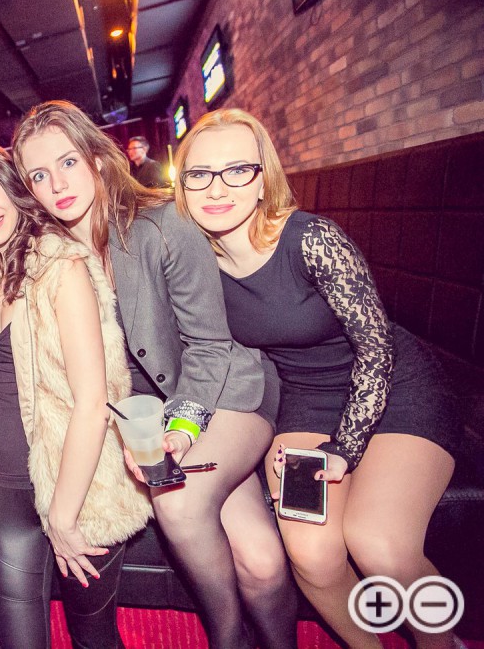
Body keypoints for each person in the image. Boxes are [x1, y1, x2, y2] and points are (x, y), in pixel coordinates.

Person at [174, 108, 461, 649]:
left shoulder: (312, 239)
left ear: (263, 179)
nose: (217, 187)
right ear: (182, 185)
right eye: (200, 173)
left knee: (379, 542)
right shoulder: (192, 263)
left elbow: (375, 346)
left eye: (237, 170)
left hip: (395, 388)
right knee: (311, 552)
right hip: (306, 402)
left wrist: (345, 449)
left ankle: (441, 644)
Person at [13, 101, 297, 649]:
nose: (58, 185)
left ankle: (227, 641)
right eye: (39, 175)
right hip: (153, 410)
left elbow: (211, 347)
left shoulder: (164, 225)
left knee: (176, 501)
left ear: (97, 158)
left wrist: (182, 428)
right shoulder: (55, 256)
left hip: (227, 391)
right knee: (261, 561)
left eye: (68, 162)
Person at [0, 139, 152, 648]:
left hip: (79, 493)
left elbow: (93, 402)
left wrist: (62, 515)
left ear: (14, 188)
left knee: (92, 638)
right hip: (5, 497)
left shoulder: (63, 266)